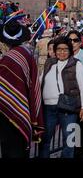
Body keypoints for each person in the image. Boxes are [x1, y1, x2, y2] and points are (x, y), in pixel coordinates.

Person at [0, 20, 44, 158]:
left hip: (5, 111)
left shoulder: (6, 59)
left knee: (8, 147)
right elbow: (33, 83)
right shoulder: (27, 56)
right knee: (21, 147)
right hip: (24, 109)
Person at [39, 36, 83, 158]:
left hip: (69, 108)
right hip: (48, 108)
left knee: (70, 140)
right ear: (55, 50)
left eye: (65, 49)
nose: (62, 52)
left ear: (70, 50)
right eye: (59, 49)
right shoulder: (49, 63)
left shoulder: (77, 64)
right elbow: (41, 81)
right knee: (44, 140)